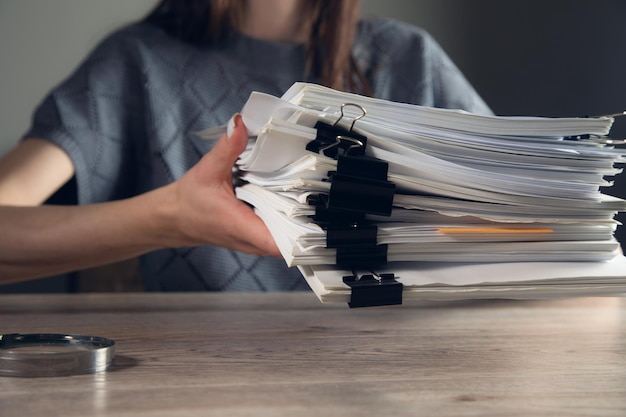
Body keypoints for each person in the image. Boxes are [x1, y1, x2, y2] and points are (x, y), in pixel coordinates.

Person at [0, 0, 491, 290]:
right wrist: (171, 218)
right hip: (199, 380)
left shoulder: (412, 60)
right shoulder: (134, 64)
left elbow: (535, 222)